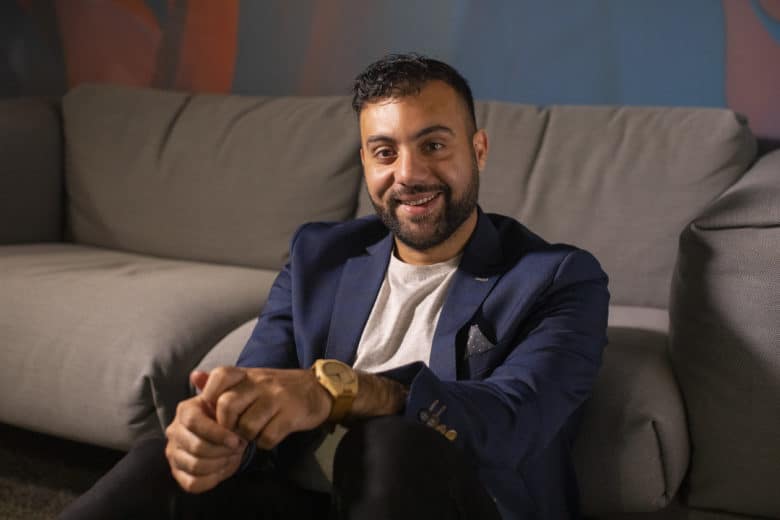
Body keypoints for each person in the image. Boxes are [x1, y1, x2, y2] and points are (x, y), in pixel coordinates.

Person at [60, 53, 609, 520]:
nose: (409, 174)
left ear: (479, 149)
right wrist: (214, 432)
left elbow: (512, 422)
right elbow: (261, 385)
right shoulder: (318, 255)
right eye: (385, 152)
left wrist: (341, 392)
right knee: (157, 459)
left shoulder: (559, 278)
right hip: (306, 500)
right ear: (366, 163)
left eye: (435, 145)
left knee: (389, 442)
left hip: (458, 501)